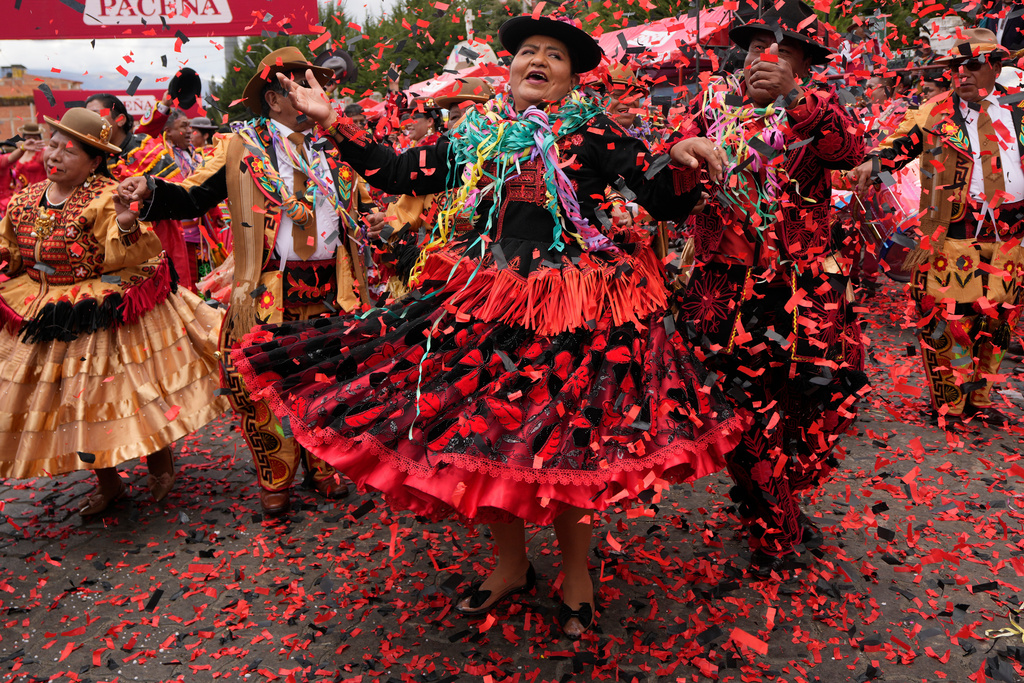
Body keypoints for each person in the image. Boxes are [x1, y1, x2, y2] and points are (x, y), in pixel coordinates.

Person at [220, 14, 742, 639]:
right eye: (528, 52)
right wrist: (333, 121)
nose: (538, 61)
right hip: (484, 308)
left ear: (572, 77)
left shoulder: (593, 131)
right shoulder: (474, 131)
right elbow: (398, 170)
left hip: (573, 316)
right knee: (488, 440)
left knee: (569, 447)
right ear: (511, 67)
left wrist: (680, 160)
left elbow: (657, 194)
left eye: (554, 55)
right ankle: (512, 564)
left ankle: (576, 574)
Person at [117, 46, 372, 517]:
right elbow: (194, 197)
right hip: (266, 288)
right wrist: (150, 189)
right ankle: (275, 470)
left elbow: (364, 201)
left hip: (333, 288)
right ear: (275, 99)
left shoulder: (337, 145)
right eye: (303, 85)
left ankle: (322, 463)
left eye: (317, 85)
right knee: (255, 384)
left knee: (328, 380)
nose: (317, 94)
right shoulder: (241, 146)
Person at [675, 0, 868, 576]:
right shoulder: (709, 104)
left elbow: (850, 153)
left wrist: (791, 98)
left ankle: (781, 494)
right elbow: (671, 169)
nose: (766, 57)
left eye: (783, 49)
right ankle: (774, 527)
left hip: (810, 289)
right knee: (746, 415)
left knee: (829, 397)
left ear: (805, 62)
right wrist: (677, 156)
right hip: (726, 291)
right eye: (759, 45)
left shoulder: (819, 107)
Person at [0, 108, 228, 514]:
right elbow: (11, 253)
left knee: (127, 393)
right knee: (71, 403)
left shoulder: (106, 197)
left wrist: (124, 222)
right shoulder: (23, 200)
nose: (54, 156)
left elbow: (129, 255)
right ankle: (108, 481)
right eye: (52, 146)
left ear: (93, 162)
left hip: (103, 314)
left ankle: (159, 456)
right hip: (47, 314)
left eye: (67, 151)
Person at [851, 28, 1024, 427]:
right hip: (952, 234)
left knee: (998, 321)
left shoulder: (1016, 112)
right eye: (956, 67)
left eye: (973, 65)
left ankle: (980, 399)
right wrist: (871, 166)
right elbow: (895, 147)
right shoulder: (933, 113)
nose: (962, 73)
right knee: (951, 320)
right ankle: (951, 402)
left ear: (996, 68)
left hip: (1009, 238)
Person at [84, 94, 194, 292]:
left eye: (96, 114)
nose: (91, 121)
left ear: (120, 119)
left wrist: (141, 191)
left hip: (157, 243)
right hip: (111, 251)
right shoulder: (93, 158)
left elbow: (178, 190)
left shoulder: (144, 148)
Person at [0, 122, 48, 215]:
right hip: (20, 198)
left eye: (35, 138)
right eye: (28, 137)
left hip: (39, 195)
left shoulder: (43, 153)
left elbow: (8, 160)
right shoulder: (19, 154)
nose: (32, 140)